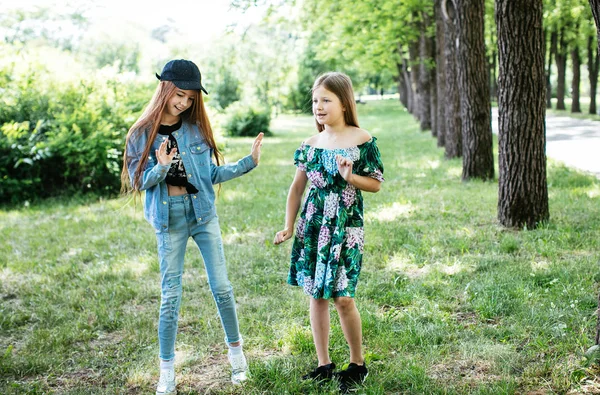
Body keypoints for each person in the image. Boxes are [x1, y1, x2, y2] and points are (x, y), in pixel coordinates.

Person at [121, 59, 264, 395]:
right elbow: (140, 182)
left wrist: (249, 163)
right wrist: (161, 167)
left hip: (203, 215)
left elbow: (209, 175)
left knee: (223, 288)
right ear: (165, 89)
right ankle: (166, 373)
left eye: (190, 98)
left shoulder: (195, 129)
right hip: (169, 221)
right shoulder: (140, 134)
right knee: (170, 297)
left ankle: (237, 358)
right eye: (180, 95)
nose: (184, 103)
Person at [273, 72, 384, 392]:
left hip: (346, 226)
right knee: (317, 294)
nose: (318, 107)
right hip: (314, 226)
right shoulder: (310, 145)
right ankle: (323, 364)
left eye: (326, 100)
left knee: (343, 297)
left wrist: (351, 178)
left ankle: (357, 363)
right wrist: (289, 225)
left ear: (344, 104)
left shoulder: (362, 140)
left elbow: (375, 184)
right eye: (315, 101)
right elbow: (296, 189)